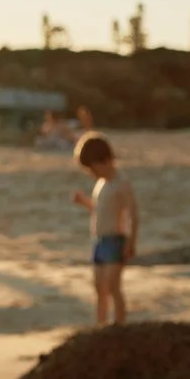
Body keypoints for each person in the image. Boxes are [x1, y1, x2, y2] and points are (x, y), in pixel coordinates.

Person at [71, 132, 139, 325]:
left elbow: (133, 214)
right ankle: (101, 324)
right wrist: (84, 202)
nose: (92, 174)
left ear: (107, 160)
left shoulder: (121, 183)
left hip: (115, 240)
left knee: (112, 286)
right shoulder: (101, 184)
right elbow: (100, 209)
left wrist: (131, 242)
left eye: (94, 168)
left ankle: (119, 324)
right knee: (99, 287)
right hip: (99, 240)